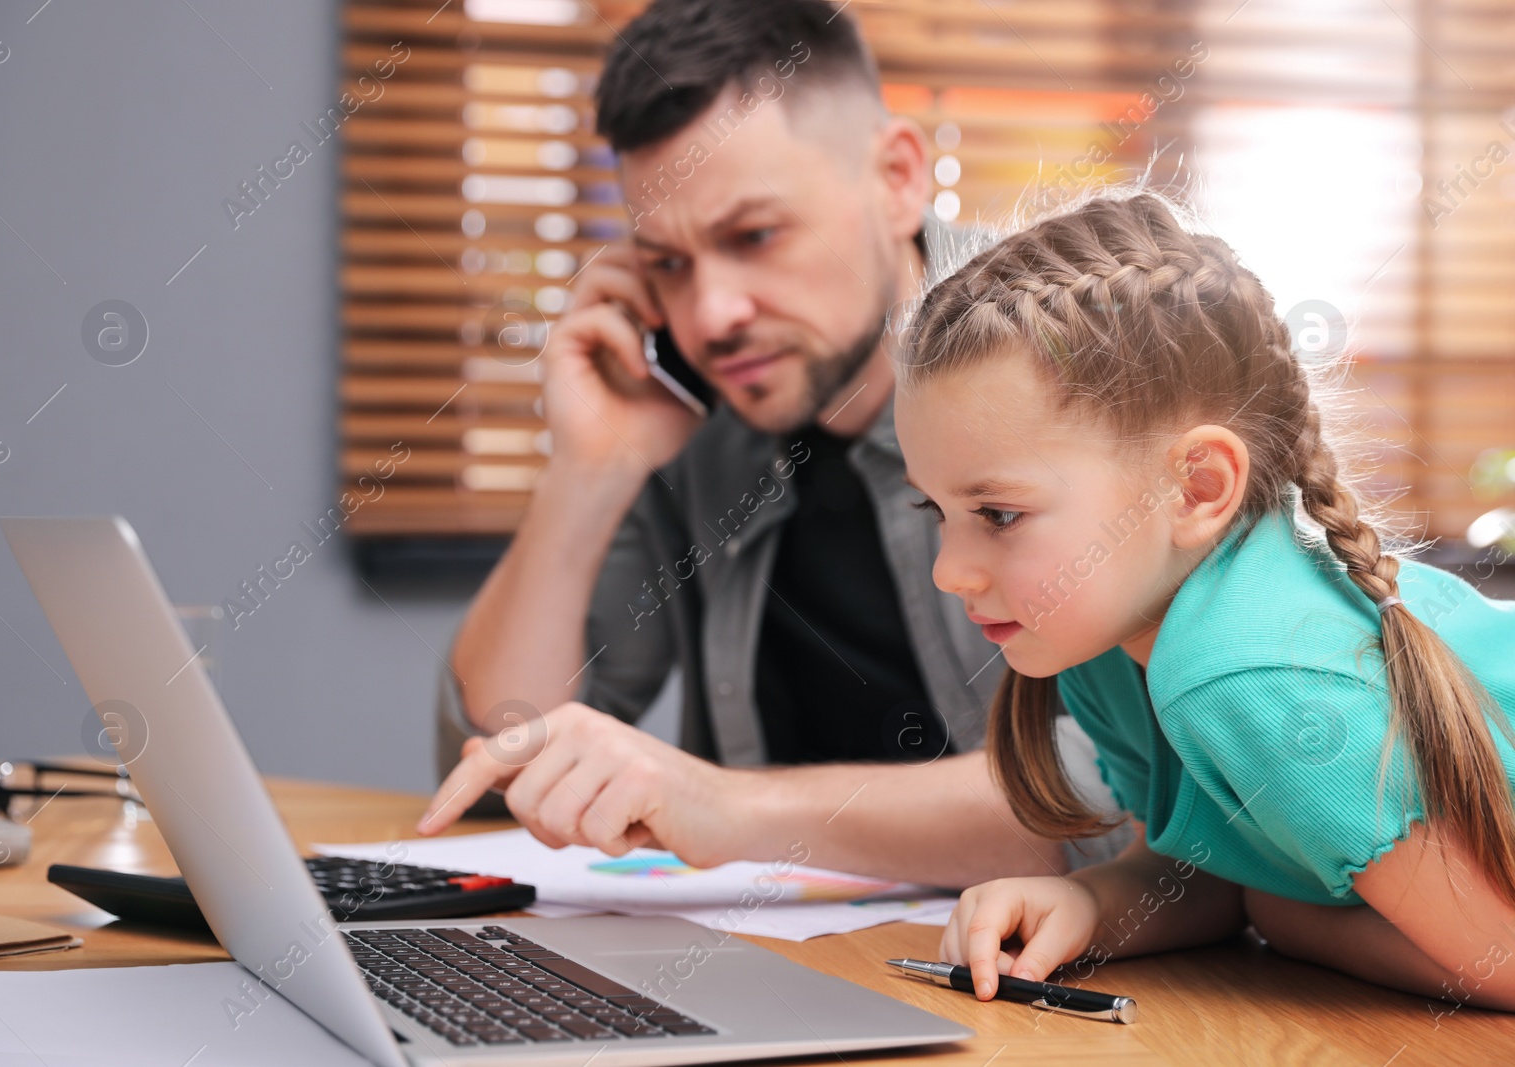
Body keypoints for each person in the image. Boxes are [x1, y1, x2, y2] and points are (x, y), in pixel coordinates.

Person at [417, 0, 1133, 885]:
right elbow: (502, 760)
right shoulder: (690, 419)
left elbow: (1132, 795)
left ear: (899, 177)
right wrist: (589, 471)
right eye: (669, 263)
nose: (712, 315)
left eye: (754, 236)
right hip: (793, 950)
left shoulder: (1077, 358)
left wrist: (736, 811)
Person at [897, 191, 1515, 1008]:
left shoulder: (1243, 674)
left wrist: (1285, 922)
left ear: (1195, 487)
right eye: (935, 512)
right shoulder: (1107, 642)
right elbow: (1235, 864)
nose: (948, 570)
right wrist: (1092, 903)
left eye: (999, 515)